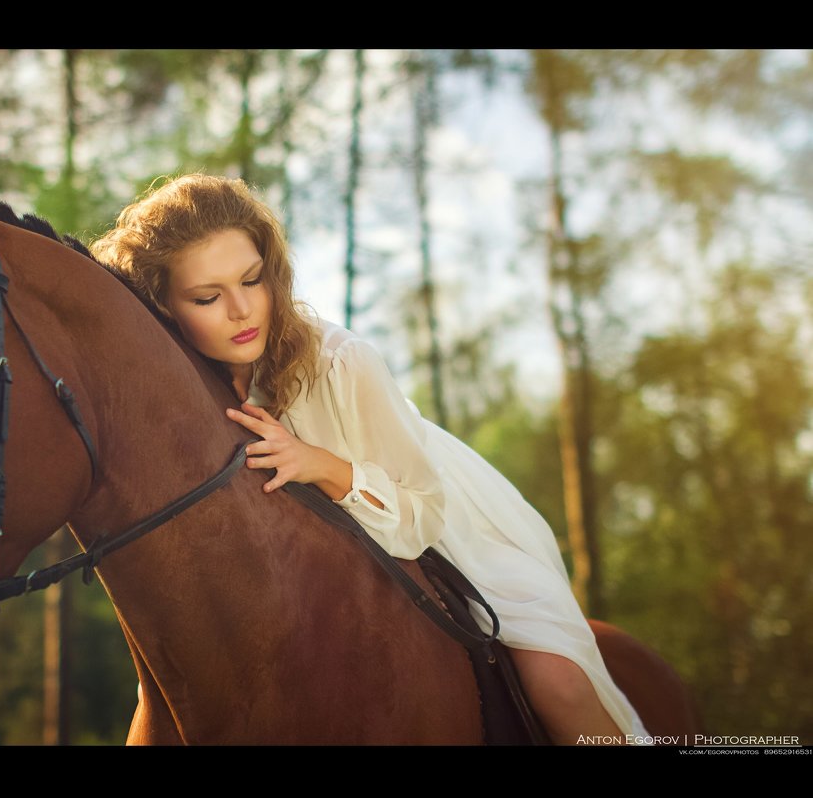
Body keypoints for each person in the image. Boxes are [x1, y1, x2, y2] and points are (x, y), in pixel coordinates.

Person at [91, 174, 649, 745]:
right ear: (162, 302)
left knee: (557, 686)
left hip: (443, 525)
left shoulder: (342, 362)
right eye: (208, 297)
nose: (241, 310)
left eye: (252, 280)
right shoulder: (180, 390)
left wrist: (320, 464)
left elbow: (424, 515)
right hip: (287, 591)